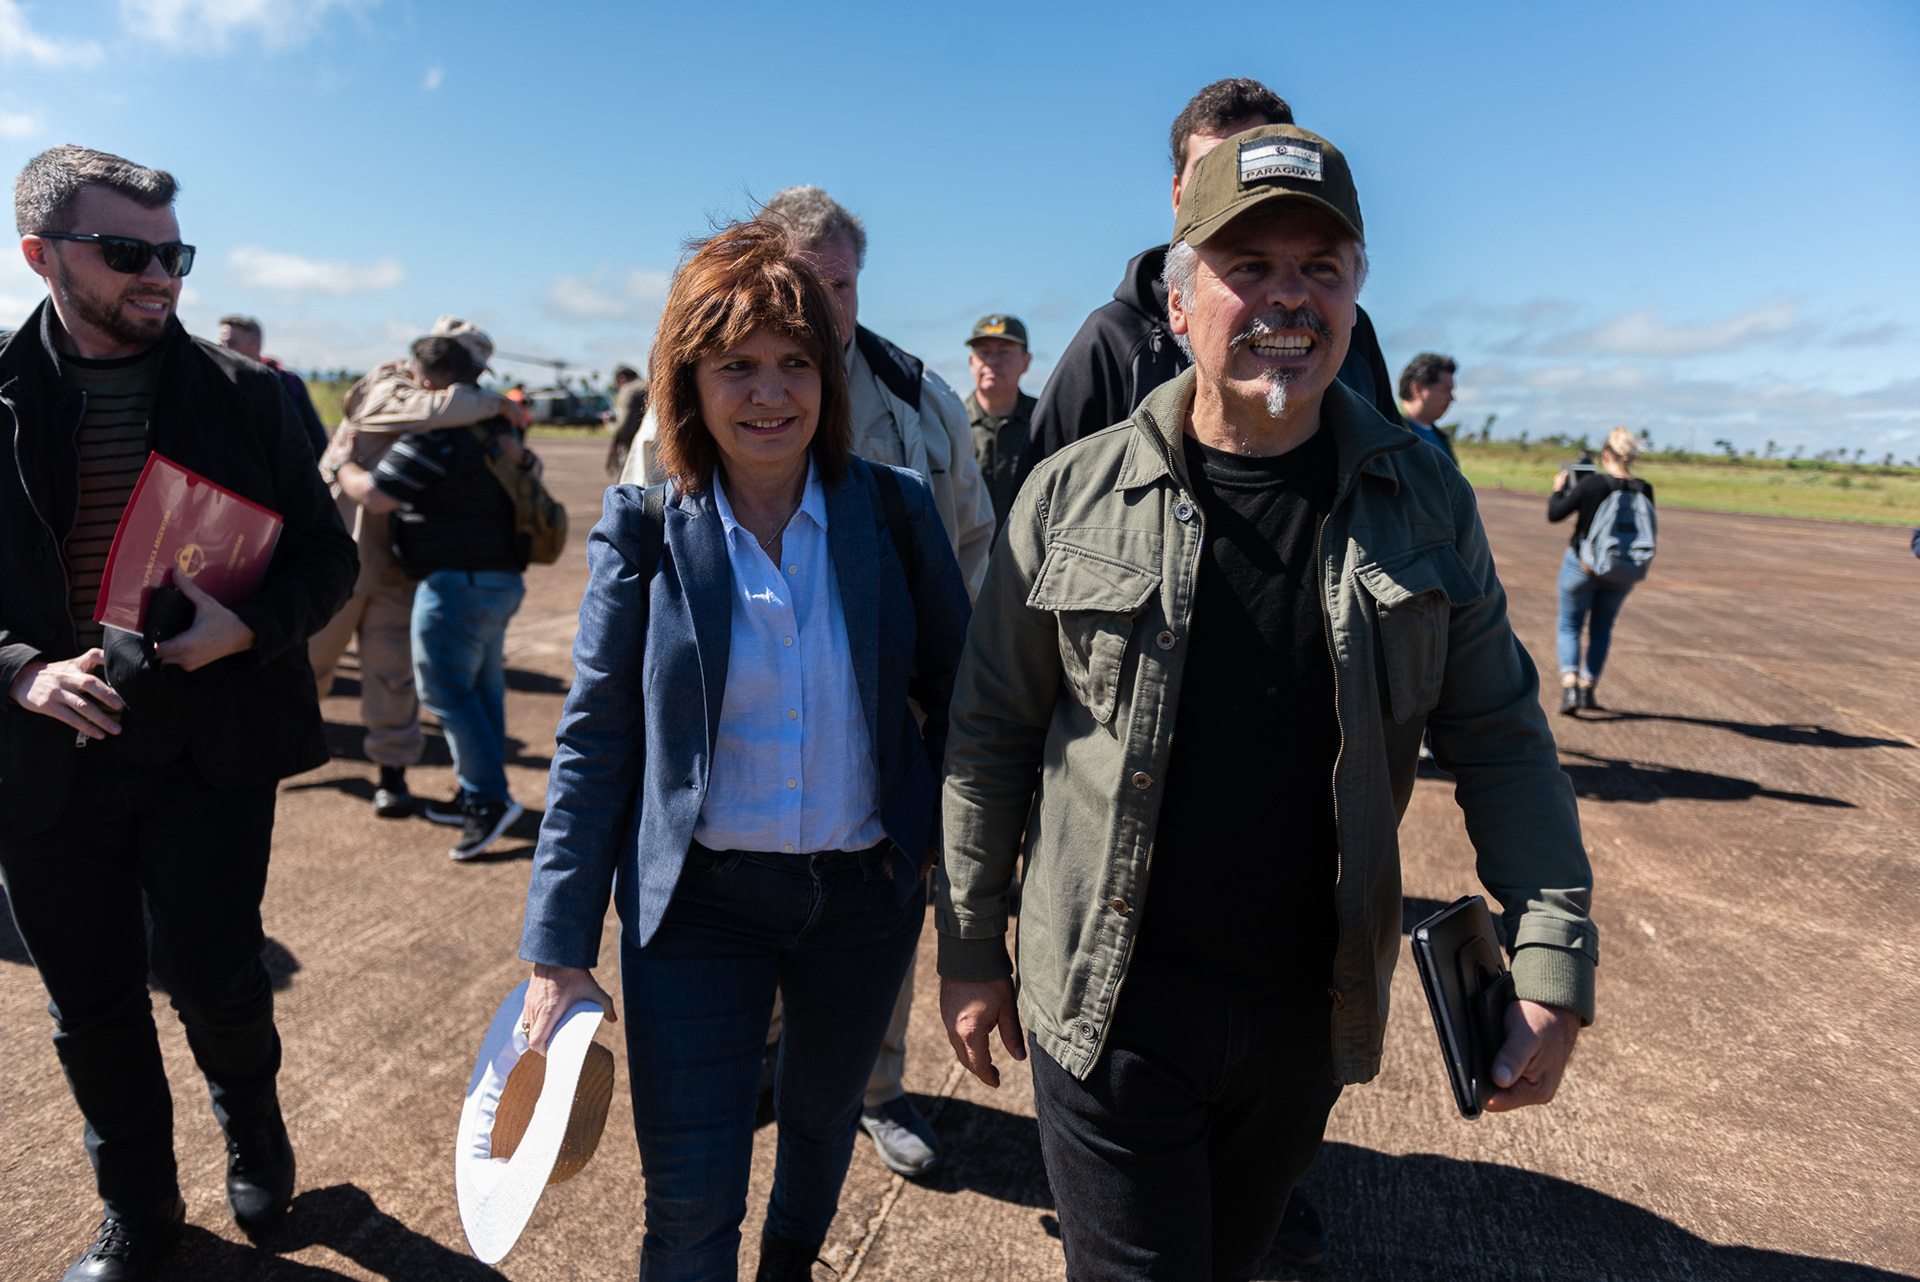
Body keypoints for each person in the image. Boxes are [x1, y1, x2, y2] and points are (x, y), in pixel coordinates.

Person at [936, 124, 1596, 1281]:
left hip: (1305, 1016)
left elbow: (1499, 734)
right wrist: (972, 941)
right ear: (1182, 304)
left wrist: (1549, 956)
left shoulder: (1421, 497)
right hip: (1110, 1007)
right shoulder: (1069, 496)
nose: (1291, 300)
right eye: (1252, 267)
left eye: (1322, 269)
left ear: (1355, 299)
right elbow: (990, 734)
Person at [515, 219, 971, 1280]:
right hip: (698, 910)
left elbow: (962, 699)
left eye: (794, 363)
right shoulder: (644, 527)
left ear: (828, 375)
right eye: (736, 367)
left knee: (815, 1142)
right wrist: (556, 949)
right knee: (687, 1204)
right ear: (688, 381)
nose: (770, 393)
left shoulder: (894, 512)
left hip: (862, 900)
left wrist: (950, 868)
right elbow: (593, 741)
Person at [1, 146, 357, 1282]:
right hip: (46, 757)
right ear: (39, 256)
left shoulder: (252, 395)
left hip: (207, 744)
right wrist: (18, 670)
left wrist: (248, 629)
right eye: (129, 254)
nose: (161, 276)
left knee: (215, 973)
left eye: (174, 253)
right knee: (91, 1001)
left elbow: (326, 555)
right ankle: (140, 1208)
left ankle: (252, 1124)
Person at [756, 183, 996, 1178]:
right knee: (749, 905)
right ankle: (766, 1064)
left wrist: (957, 706)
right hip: (750, 716)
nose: (827, 308)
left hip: (882, 721)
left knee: (882, 913)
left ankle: (878, 1084)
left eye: (843, 286)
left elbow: (974, 555)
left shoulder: (918, 401)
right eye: (805, 286)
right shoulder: (706, 382)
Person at [1019, 78, 1401, 485]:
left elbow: (1392, 469)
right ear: (1178, 195)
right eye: (1211, 170)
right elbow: (1044, 497)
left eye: (1320, 266)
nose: (1288, 296)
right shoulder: (1114, 340)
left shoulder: (1349, 336)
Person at [332, 327, 538, 859]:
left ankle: (488, 802)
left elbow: (375, 497)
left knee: (445, 693)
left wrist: (343, 464)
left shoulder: (433, 436)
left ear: (427, 378)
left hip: (454, 582)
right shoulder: (499, 429)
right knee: (483, 691)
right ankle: (476, 792)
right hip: (501, 579)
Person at [1549, 425, 1655, 714]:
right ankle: (1588, 688)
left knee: (1570, 626)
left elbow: (1555, 514)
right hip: (1622, 570)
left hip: (1582, 566)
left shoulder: (1592, 484)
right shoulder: (1644, 488)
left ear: (1605, 454)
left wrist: (1559, 490)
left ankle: (1569, 687)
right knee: (1602, 629)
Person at [217, 313, 327, 458]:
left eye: (231, 343)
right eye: (221, 344)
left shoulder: (288, 383)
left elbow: (316, 439)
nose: (222, 349)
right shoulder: (217, 383)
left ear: (255, 346)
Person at [963, 313, 1036, 525]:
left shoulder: (1045, 421)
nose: (993, 361)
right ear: (971, 362)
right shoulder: (951, 421)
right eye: (984, 353)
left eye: (1004, 353)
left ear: (1026, 361)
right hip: (968, 554)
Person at [1398, 351, 1460, 463]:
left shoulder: (1442, 439)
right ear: (1417, 389)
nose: (1452, 398)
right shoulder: (1390, 430)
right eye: (1446, 390)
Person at [603, 362, 650, 477]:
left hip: (632, 454)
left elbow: (624, 429)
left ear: (621, 378)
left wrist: (609, 425)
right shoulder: (649, 386)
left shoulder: (629, 390)